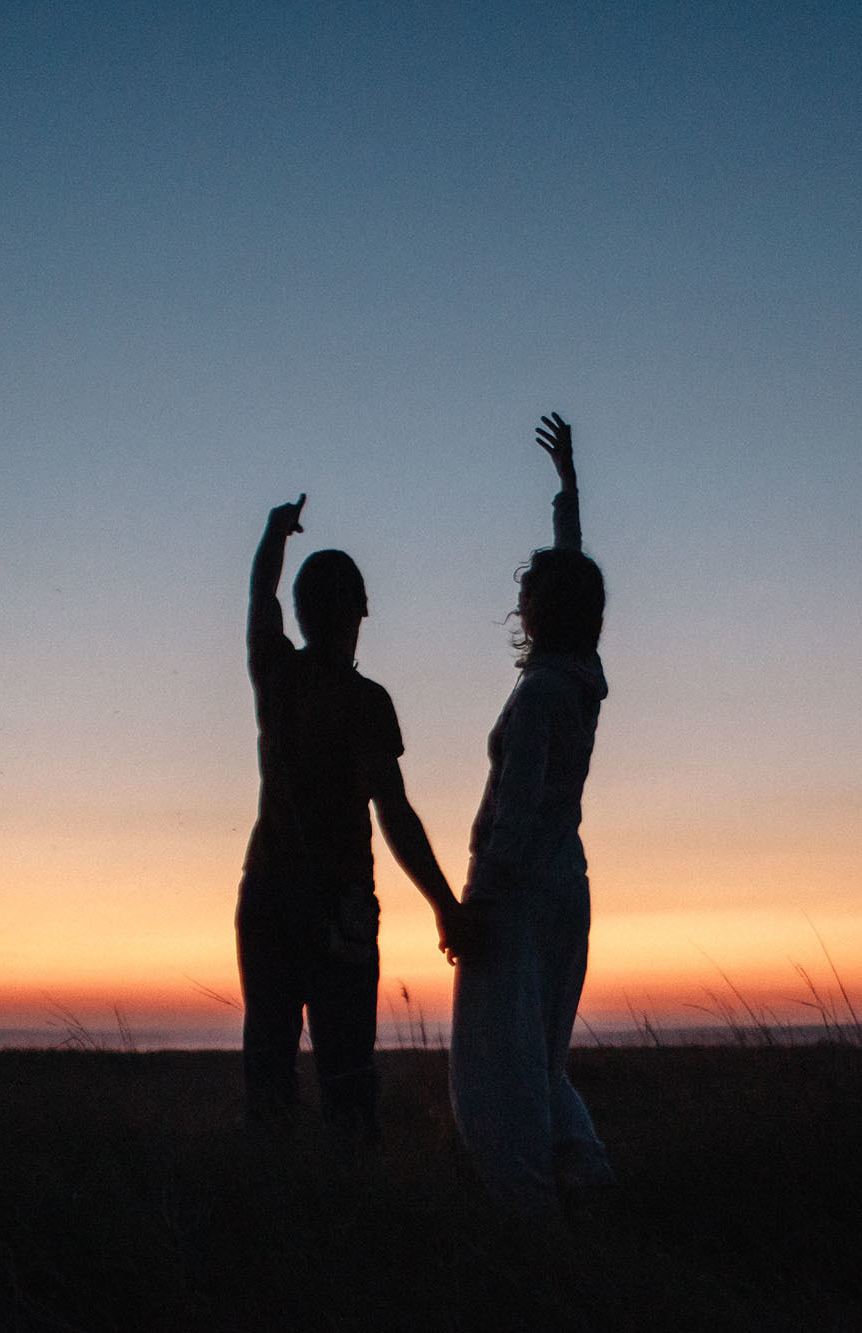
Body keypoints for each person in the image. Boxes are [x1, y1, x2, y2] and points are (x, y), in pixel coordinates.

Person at [238, 493, 464, 1142]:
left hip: (266, 896)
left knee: (269, 1074)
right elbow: (393, 811)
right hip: (337, 906)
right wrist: (445, 903)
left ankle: (267, 1207)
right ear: (362, 608)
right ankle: (352, 1212)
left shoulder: (274, 673)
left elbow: (259, 596)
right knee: (347, 1080)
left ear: (303, 612)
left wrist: (275, 531)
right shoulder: (366, 702)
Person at [447, 412, 615, 1208]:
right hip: (564, 889)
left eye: (530, 597)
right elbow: (576, 572)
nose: (521, 604)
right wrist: (568, 493)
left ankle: (525, 1205)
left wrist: (472, 907)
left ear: (543, 613)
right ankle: (583, 1176)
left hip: (517, 895)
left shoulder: (548, 689)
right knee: (541, 1059)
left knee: (496, 1066)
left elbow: (513, 811)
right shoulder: (580, 676)